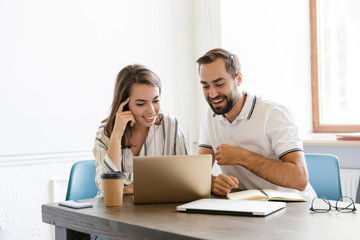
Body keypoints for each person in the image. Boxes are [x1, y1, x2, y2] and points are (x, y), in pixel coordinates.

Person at [196, 48, 316, 201]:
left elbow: (299, 179)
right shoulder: (209, 116)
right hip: (248, 206)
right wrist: (212, 183)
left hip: (294, 206)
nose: (212, 94)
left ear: (238, 79)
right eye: (205, 86)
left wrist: (242, 157)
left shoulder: (274, 113)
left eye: (219, 84)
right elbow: (199, 172)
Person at [93, 64, 187, 196]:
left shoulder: (170, 124)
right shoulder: (105, 131)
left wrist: (126, 187)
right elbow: (108, 189)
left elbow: (184, 178)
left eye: (156, 100)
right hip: (113, 211)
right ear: (124, 104)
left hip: (157, 209)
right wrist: (117, 135)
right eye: (141, 104)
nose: (151, 110)